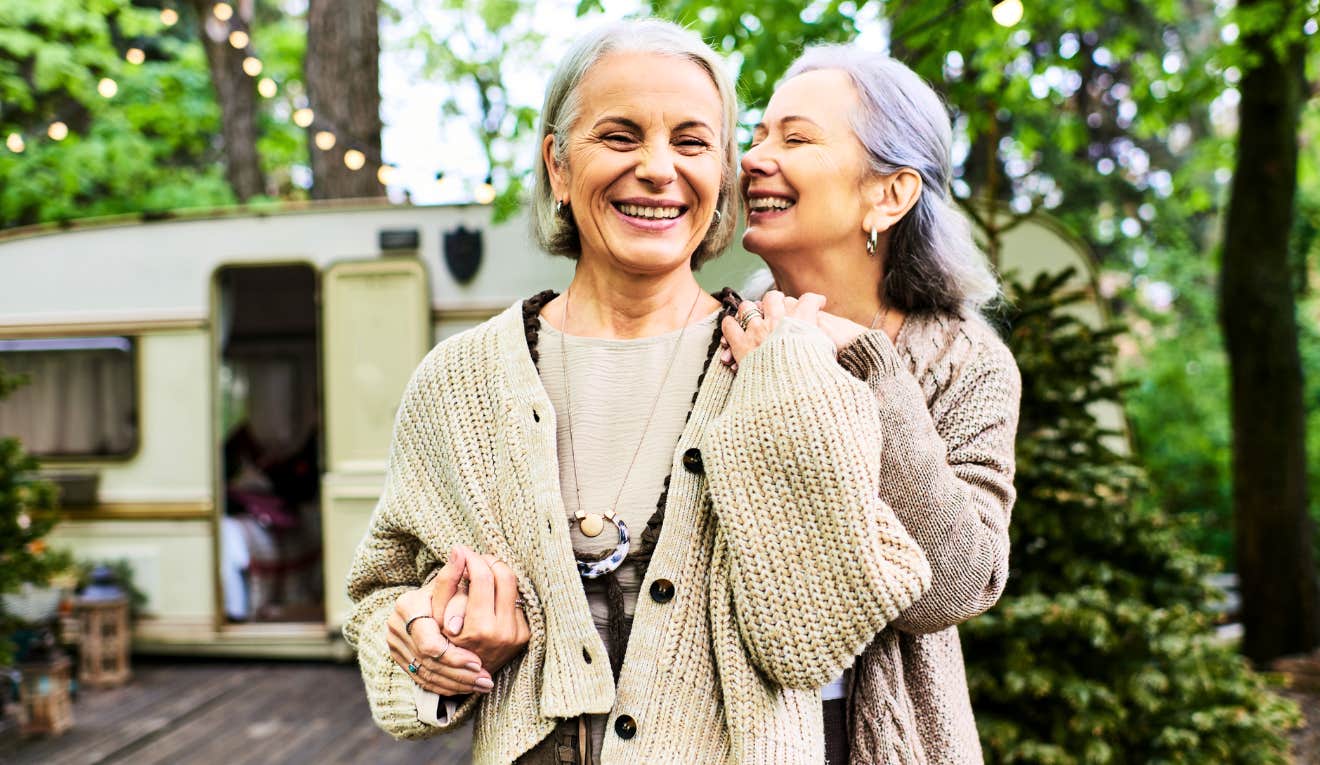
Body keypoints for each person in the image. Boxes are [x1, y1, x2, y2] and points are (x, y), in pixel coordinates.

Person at [343, 20, 932, 765]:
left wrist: (781, 406)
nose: (658, 169)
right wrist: (426, 636)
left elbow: (814, 637)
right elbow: (377, 597)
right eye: (619, 137)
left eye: (691, 144)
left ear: (721, 175)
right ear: (558, 165)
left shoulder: (786, 365)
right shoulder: (459, 382)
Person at [727, 45, 1022, 764]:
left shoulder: (966, 360)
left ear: (889, 194)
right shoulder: (716, 337)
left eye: (794, 138)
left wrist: (871, 369)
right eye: (757, 135)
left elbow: (957, 581)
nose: (755, 158)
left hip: (880, 740)